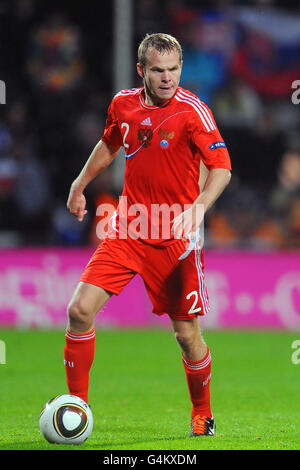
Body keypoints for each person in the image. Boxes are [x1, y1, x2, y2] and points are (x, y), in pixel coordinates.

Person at [65, 33, 231, 437]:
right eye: (158, 70)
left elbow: (222, 167)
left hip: (176, 237)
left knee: (186, 334)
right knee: (79, 311)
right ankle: (77, 408)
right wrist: (79, 184)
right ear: (142, 70)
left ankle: (202, 412)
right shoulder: (123, 104)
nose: (167, 78)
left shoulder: (194, 111)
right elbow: (109, 144)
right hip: (130, 228)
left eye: (174, 69)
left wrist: (198, 208)